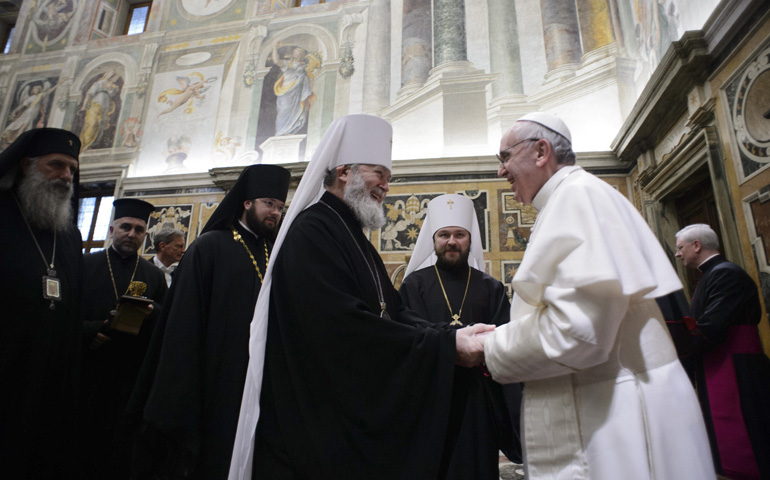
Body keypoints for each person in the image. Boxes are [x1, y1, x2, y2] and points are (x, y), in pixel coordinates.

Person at [229, 114, 492, 480]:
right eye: (378, 173)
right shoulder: (312, 231)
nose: (386, 185)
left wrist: (448, 338)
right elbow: (342, 326)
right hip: (319, 418)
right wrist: (443, 347)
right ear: (344, 172)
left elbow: (394, 311)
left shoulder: (352, 234)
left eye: (388, 176)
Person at [481, 112, 715, 479]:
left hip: (617, 417)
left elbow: (578, 333)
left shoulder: (578, 197)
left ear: (541, 151)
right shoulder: (572, 197)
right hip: (607, 403)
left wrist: (489, 347)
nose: (501, 171)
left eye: (505, 157)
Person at [131, 164, 291, 480]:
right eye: (269, 204)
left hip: (260, 377)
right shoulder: (209, 246)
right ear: (247, 203)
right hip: (216, 377)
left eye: (280, 206)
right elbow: (184, 322)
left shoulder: (273, 252)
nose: (275, 212)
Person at [399, 193, 522, 479]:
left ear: (470, 240)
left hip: (478, 398)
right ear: (434, 239)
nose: (451, 241)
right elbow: (406, 332)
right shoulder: (414, 286)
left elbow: (504, 336)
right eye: (444, 235)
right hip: (429, 395)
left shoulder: (490, 287)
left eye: (459, 234)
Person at [0, 128, 82, 479]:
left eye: (72, 170)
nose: (66, 176)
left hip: (49, 373)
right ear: (26, 166)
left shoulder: (69, 234)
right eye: (56, 165)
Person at [79, 198, 167, 479]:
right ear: (112, 229)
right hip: (87, 368)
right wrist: (92, 330)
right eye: (126, 227)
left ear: (146, 235)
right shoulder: (84, 264)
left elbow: (165, 317)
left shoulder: (152, 274)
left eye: (139, 230)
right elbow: (64, 314)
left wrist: (152, 311)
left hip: (129, 374)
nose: (132, 234)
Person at [674, 224, 770, 479]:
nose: (677, 254)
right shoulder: (712, 274)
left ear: (697, 245)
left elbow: (711, 327)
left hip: (738, 367)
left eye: (680, 247)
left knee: (750, 434)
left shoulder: (725, 274)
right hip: (722, 362)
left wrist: (674, 345)